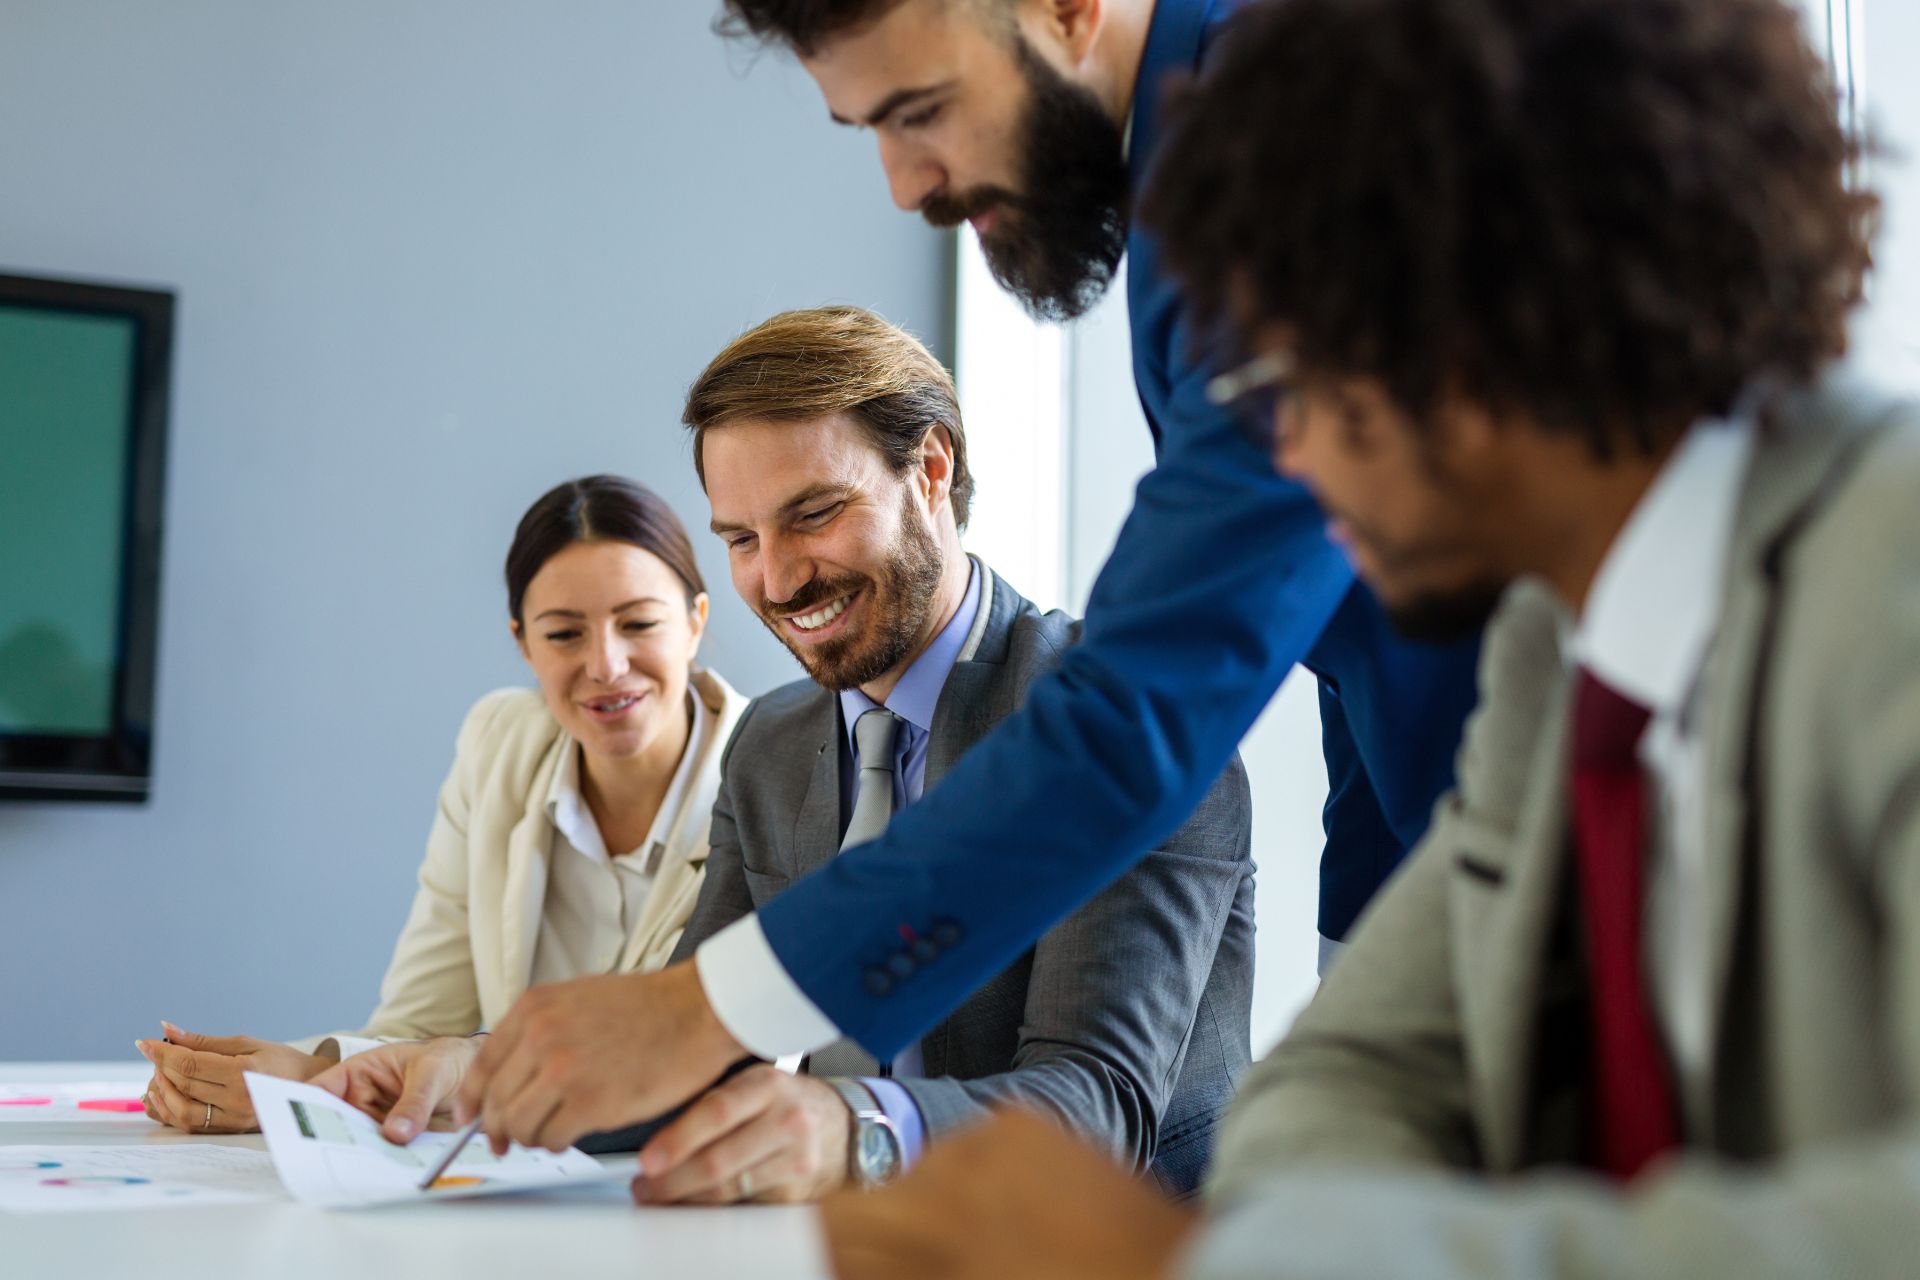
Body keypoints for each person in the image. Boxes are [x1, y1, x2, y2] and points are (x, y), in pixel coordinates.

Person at [814, 0, 1911, 1276]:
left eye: (1299, 386)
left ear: (1501, 300)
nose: (1290, 469)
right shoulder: (1552, 674)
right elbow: (1353, 1073)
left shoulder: (1891, 574)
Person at [450, 0, 1484, 1163]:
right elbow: (1361, 627)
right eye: (870, 129)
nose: (905, 185)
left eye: (923, 111)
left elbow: (1153, 698)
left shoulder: (1288, 115)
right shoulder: (1191, 177)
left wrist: (712, 1008)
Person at [307, 308, 1256, 1198]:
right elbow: (692, 1049)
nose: (779, 576)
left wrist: (856, 1133)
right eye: (740, 538)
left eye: (814, 514)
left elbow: (1100, 1106)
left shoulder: (1117, 718)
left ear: (931, 471)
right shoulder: (771, 742)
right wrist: (477, 1072)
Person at [135, 475, 746, 1136]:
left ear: (695, 623)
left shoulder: (771, 779)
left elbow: (679, 1060)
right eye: (565, 634)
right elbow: (422, 1025)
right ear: (524, 644)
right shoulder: (499, 745)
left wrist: (316, 1086)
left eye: (639, 623)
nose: (606, 664)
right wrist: (308, 1074)